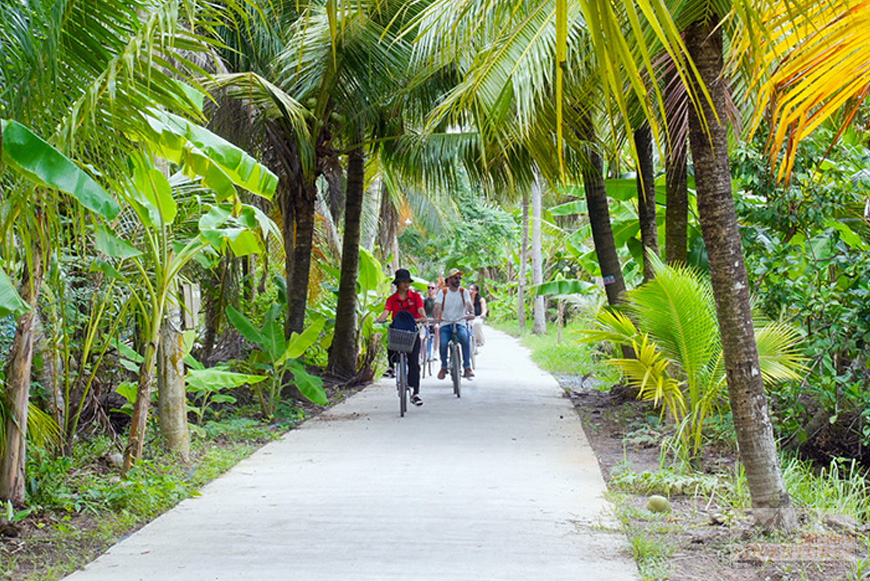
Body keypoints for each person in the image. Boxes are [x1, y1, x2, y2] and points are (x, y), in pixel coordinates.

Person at [376, 269, 427, 406]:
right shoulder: (392, 299)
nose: (406, 284)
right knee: (391, 335)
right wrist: (380, 319)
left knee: (414, 363)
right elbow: (386, 312)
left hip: (411, 331)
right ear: (398, 283)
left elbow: (421, 309)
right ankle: (391, 366)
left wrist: (423, 316)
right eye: (403, 281)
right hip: (398, 330)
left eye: (408, 282)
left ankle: (415, 393)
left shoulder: (416, 297)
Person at [433, 268, 474, 379]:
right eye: (455, 278)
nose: (458, 280)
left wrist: (471, 312)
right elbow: (437, 305)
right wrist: (436, 317)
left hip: (460, 322)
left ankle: (467, 367)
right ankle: (444, 366)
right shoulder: (443, 292)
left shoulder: (463, 292)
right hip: (445, 323)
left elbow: (469, 304)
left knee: (465, 338)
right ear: (449, 279)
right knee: (443, 343)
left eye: (459, 278)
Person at [469, 283, 488, 350]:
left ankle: (478, 341)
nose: (470, 291)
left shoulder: (481, 300)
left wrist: (483, 314)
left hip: (477, 317)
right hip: (468, 317)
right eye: (470, 289)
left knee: (476, 324)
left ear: (476, 291)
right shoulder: (467, 299)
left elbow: (484, 309)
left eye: (472, 289)